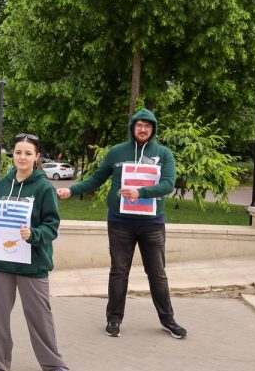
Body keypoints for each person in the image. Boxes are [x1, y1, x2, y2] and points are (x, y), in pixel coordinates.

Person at [57, 108, 187, 339]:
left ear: (153, 129)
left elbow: (168, 184)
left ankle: (168, 320)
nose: (143, 129)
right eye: (139, 125)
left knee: (157, 273)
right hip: (120, 223)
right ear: (132, 127)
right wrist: (71, 189)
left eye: (148, 125)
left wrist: (140, 192)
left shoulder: (164, 154)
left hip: (152, 224)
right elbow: (96, 178)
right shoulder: (117, 152)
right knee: (119, 272)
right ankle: (113, 320)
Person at [0, 133, 70, 371]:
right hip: (3, 261)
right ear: (13, 154)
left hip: (33, 264)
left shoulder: (44, 187)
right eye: (18, 152)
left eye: (27, 153)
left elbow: (52, 226)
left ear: (36, 157)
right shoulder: (4, 183)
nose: (22, 157)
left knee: (40, 318)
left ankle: (54, 366)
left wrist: (34, 234)